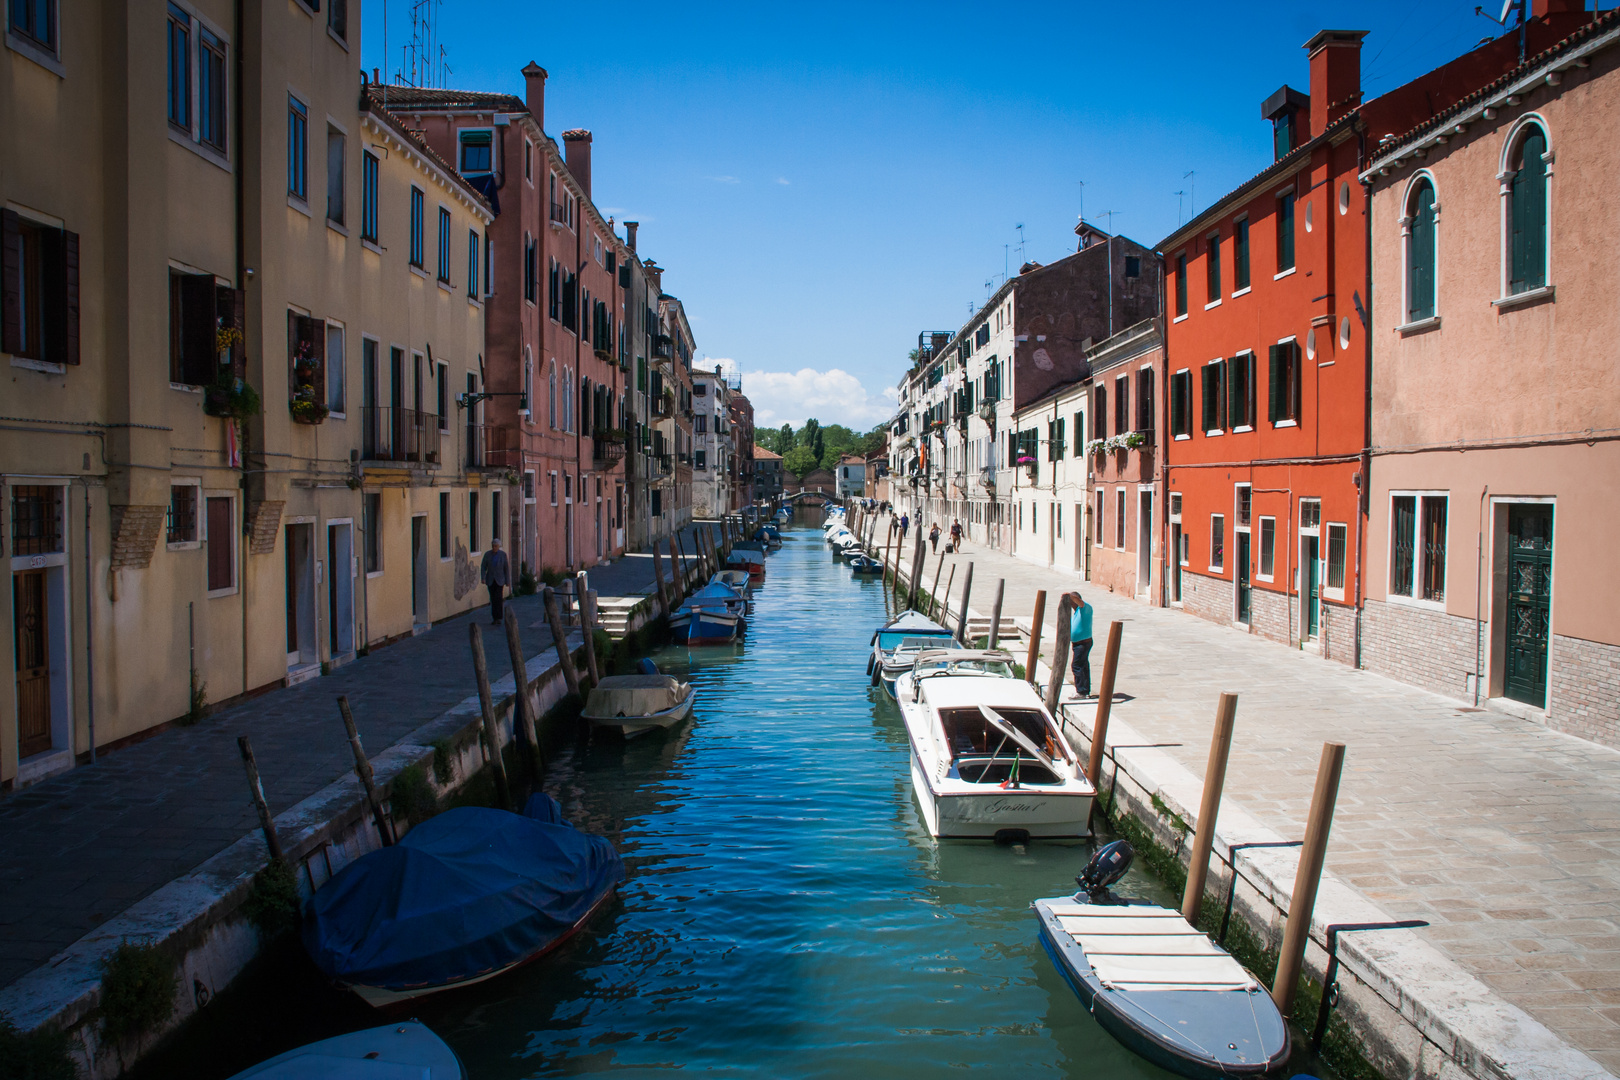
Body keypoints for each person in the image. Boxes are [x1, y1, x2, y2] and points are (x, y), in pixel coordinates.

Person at [1068, 591, 1095, 698]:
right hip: (1078, 644)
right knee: (1083, 666)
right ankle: (1085, 690)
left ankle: (1081, 691)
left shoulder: (1085, 608)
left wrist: (1068, 596)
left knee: (1076, 665)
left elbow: (1079, 601)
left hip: (1083, 643)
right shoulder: (1076, 612)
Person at [481, 538, 511, 624]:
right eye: (493, 546)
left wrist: (507, 581)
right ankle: (494, 617)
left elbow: (506, 568)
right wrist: (483, 577)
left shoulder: (502, 555)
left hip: (500, 580)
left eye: (496, 546)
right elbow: (483, 567)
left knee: (498, 598)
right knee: (493, 599)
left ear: (499, 546)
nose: (494, 547)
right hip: (490, 580)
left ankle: (499, 617)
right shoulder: (487, 555)